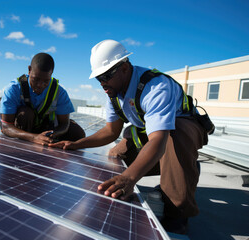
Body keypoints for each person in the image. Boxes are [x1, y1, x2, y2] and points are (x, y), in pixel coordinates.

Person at [50, 40, 210, 234]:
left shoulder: (155, 87)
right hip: (154, 136)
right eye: (99, 78)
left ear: (124, 68)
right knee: (117, 153)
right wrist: (77, 144)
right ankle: (179, 172)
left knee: (174, 136)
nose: (102, 84)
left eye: (106, 76)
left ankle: (178, 211)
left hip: (182, 132)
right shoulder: (114, 92)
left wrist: (129, 178)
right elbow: (110, 132)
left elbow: (158, 141)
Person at [0, 52, 85, 145]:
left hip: (43, 126)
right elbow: (6, 126)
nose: (40, 85)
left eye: (46, 81)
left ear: (51, 74)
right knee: (25, 114)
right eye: (36, 79)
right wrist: (34, 137)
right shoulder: (13, 89)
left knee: (78, 133)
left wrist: (53, 134)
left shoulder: (59, 92)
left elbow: (64, 124)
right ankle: (28, 140)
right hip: (21, 125)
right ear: (29, 70)